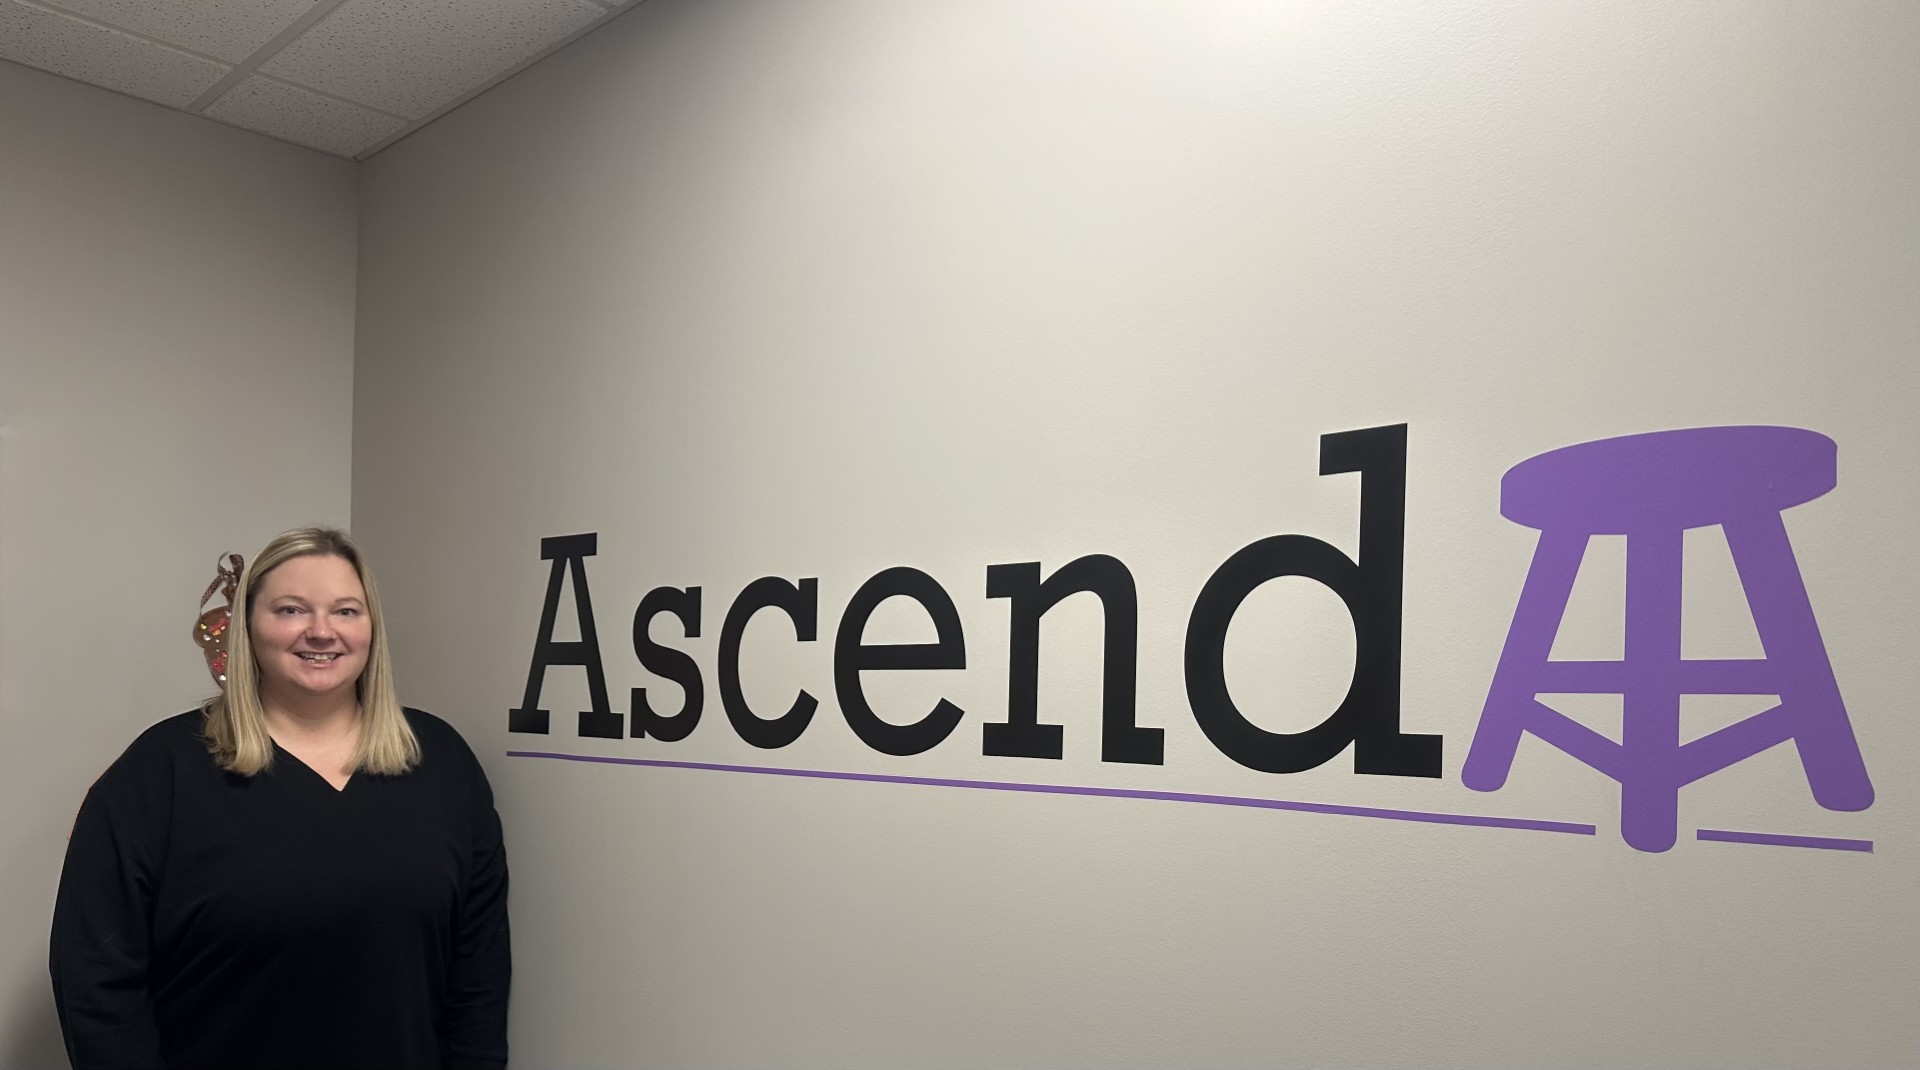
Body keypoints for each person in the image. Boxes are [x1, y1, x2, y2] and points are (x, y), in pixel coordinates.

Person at [50, 528, 510, 1069]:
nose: (321, 631)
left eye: (346, 611)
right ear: (246, 626)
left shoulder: (443, 763)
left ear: (372, 628)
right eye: (291, 610)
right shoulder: (160, 772)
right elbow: (95, 977)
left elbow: (479, 972)